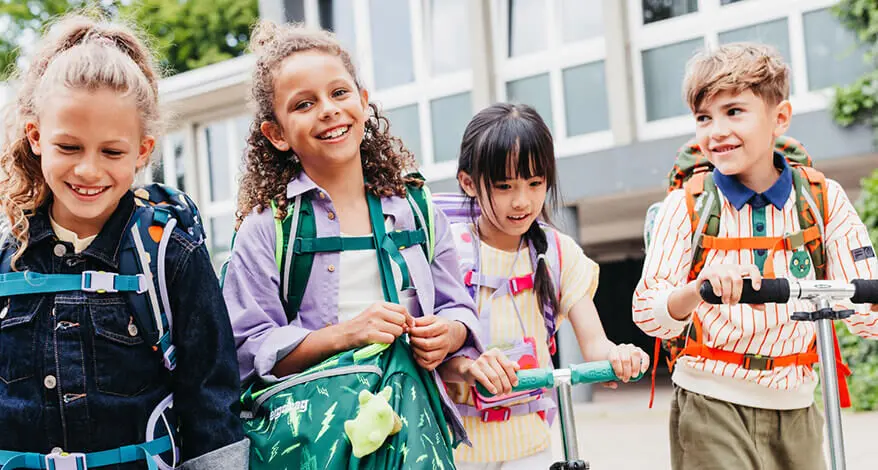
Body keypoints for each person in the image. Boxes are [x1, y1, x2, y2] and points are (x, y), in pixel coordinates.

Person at [220, 21, 519, 456]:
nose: (328, 110)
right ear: (277, 134)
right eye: (304, 103)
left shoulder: (419, 209)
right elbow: (248, 351)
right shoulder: (267, 228)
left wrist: (450, 335)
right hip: (317, 447)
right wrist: (346, 335)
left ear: (363, 101)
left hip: (415, 436)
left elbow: (457, 308)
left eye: (339, 93)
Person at [0, 13, 246, 470]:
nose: (88, 170)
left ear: (142, 151)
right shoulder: (5, 255)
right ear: (36, 137)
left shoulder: (171, 254)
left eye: (111, 151)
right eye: (69, 147)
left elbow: (211, 404)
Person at [634, 42, 878, 470]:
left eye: (734, 112)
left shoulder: (822, 200)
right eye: (704, 118)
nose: (716, 131)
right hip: (711, 400)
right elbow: (646, 311)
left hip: (797, 404)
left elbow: (863, 313)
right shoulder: (686, 205)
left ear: (779, 118)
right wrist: (698, 289)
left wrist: (870, 307)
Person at [446, 103, 649, 469]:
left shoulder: (558, 252)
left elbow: (595, 345)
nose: (522, 201)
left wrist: (620, 356)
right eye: (504, 186)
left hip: (531, 447)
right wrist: (467, 367)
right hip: (456, 448)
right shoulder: (447, 251)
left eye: (535, 183)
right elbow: (428, 355)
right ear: (468, 183)